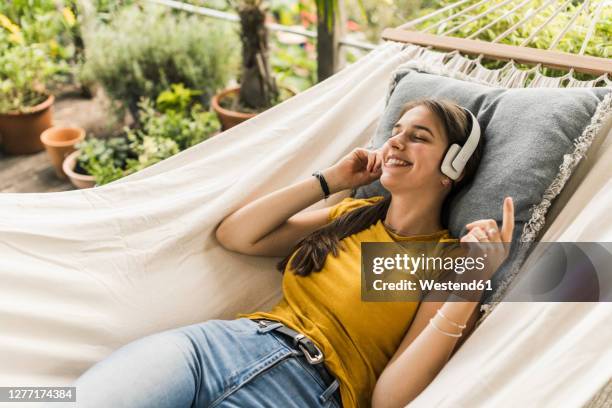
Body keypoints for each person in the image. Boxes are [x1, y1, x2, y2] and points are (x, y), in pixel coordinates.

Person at [64, 98, 514, 408]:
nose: (395, 142)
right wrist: (332, 180)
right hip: (218, 348)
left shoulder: (452, 263)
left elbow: (390, 398)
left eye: (418, 137)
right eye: (394, 131)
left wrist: (473, 282)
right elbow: (238, 235)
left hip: (303, 393)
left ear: (452, 165)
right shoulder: (353, 214)